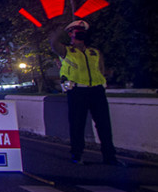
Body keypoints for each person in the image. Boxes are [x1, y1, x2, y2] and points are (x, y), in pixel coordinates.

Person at [49, 20, 123, 166]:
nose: (80, 34)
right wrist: (61, 29)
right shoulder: (67, 51)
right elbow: (53, 43)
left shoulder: (94, 52)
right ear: (70, 34)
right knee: (77, 124)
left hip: (96, 91)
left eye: (82, 31)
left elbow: (100, 70)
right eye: (76, 31)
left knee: (104, 125)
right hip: (77, 91)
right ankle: (77, 154)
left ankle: (110, 157)